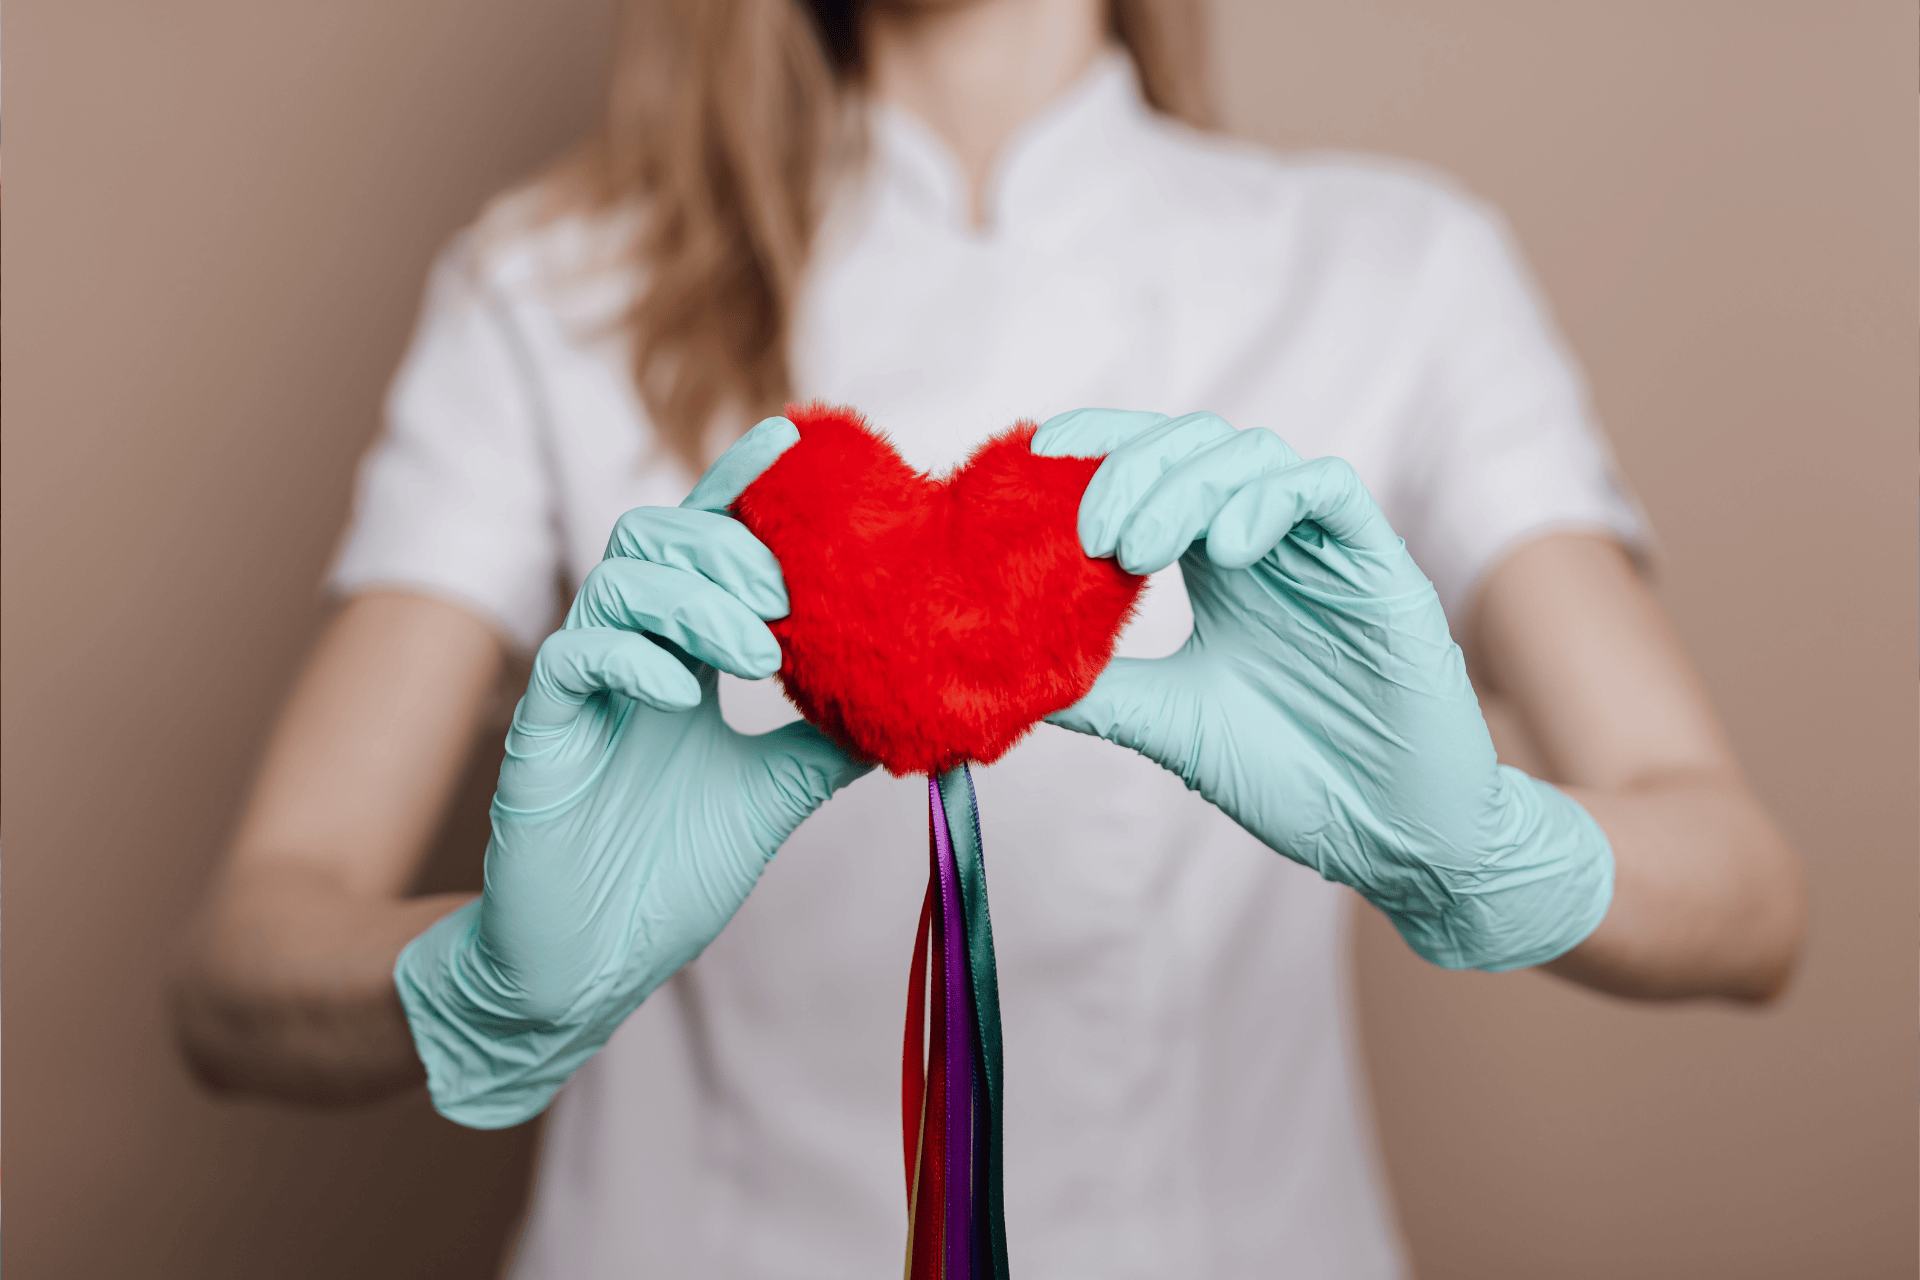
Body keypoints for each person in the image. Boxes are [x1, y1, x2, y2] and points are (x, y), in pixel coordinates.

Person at [170, 1, 1806, 1275]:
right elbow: (239, 967)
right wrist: (491, 982)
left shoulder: (1401, 268)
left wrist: (1495, 855)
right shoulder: (547, 287)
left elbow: (1748, 896)